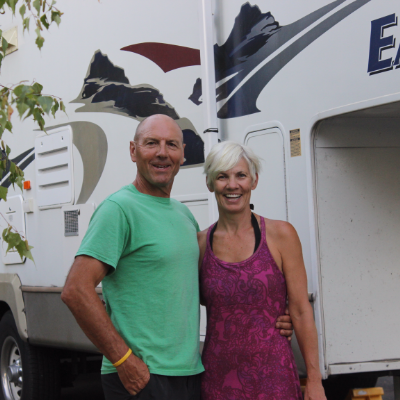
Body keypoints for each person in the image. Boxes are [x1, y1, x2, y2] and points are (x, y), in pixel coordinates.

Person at [61, 115, 294, 400]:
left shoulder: (183, 216)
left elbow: (202, 291)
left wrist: (270, 316)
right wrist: (123, 360)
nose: (162, 153)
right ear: (133, 151)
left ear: (183, 154)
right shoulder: (119, 209)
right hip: (141, 375)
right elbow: (75, 290)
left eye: (171, 144)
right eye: (151, 143)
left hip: (188, 375)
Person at [198, 141, 327, 400]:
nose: (232, 185)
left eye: (241, 175)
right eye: (222, 176)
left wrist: (314, 381)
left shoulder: (281, 236)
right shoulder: (200, 244)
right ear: (210, 183)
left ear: (253, 181)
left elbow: (301, 310)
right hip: (217, 382)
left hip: (274, 380)